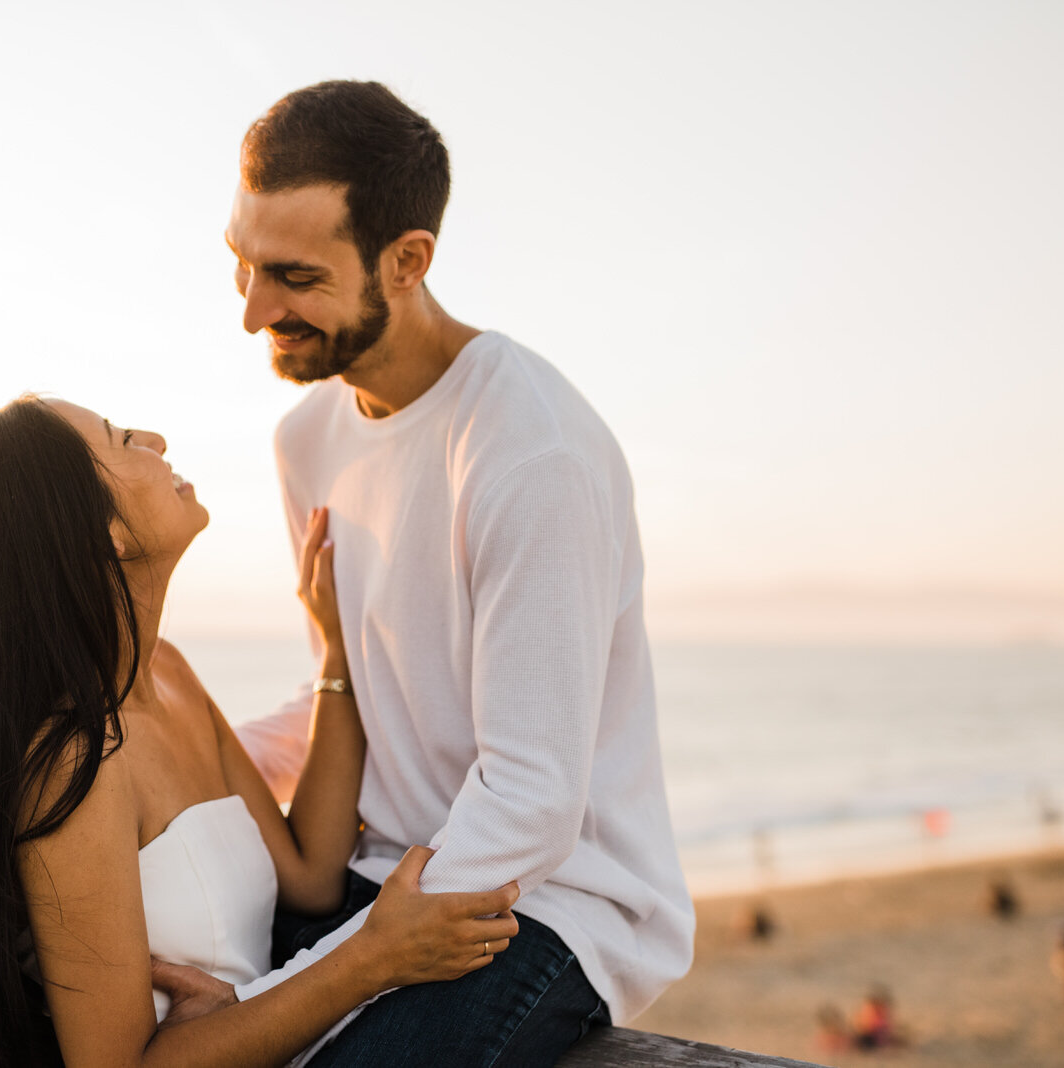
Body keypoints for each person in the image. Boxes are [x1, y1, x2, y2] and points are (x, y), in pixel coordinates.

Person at [165, 80, 695, 1065]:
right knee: (18, 979)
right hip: (372, 876)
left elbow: (532, 799)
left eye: (291, 276)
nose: (252, 312)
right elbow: (360, 686)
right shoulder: (306, 440)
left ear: (406, 261)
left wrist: (296, 987)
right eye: (239, 265)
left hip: (541, 902)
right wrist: (170, 773)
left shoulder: (528, 454)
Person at [0, 394, 521, 1068]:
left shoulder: (168, 673)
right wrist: (372, 957)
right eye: (122, 438)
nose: (157, 439)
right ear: (98, 530)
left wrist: (336, 655)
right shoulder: (77, 762)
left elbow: (311, 874)